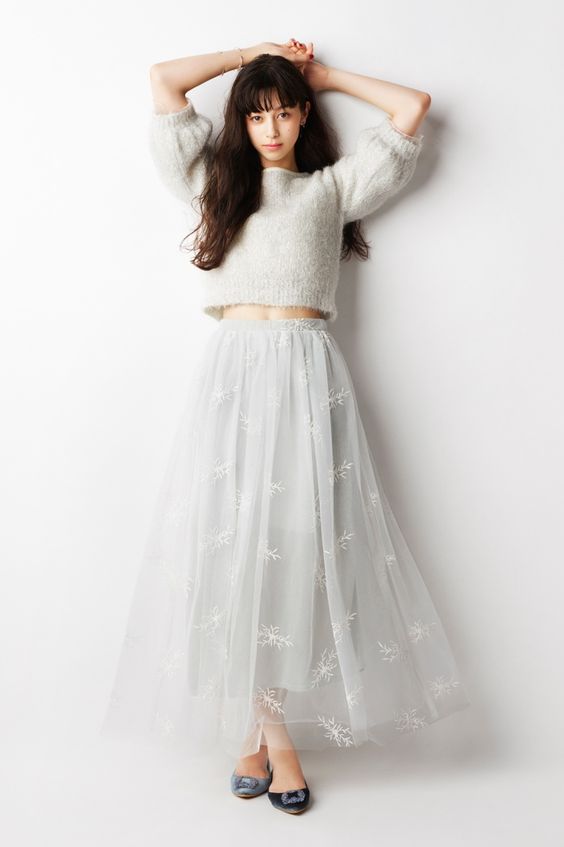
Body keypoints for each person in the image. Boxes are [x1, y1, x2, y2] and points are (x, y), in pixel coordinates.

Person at [100, 39, 471, 816]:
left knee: (296, 552)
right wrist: (252, 55)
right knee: (235, 548)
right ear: (241, 122)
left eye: (284, 112)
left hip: (307, 376)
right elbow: (163, 80)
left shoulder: (331, 189)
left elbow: (412, 109)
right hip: (233, 379)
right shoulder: (215, 183)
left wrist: (324, 75)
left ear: (304, 116)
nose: (270, 128)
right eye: (256, 114)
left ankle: (255, 735)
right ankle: (278, 742)